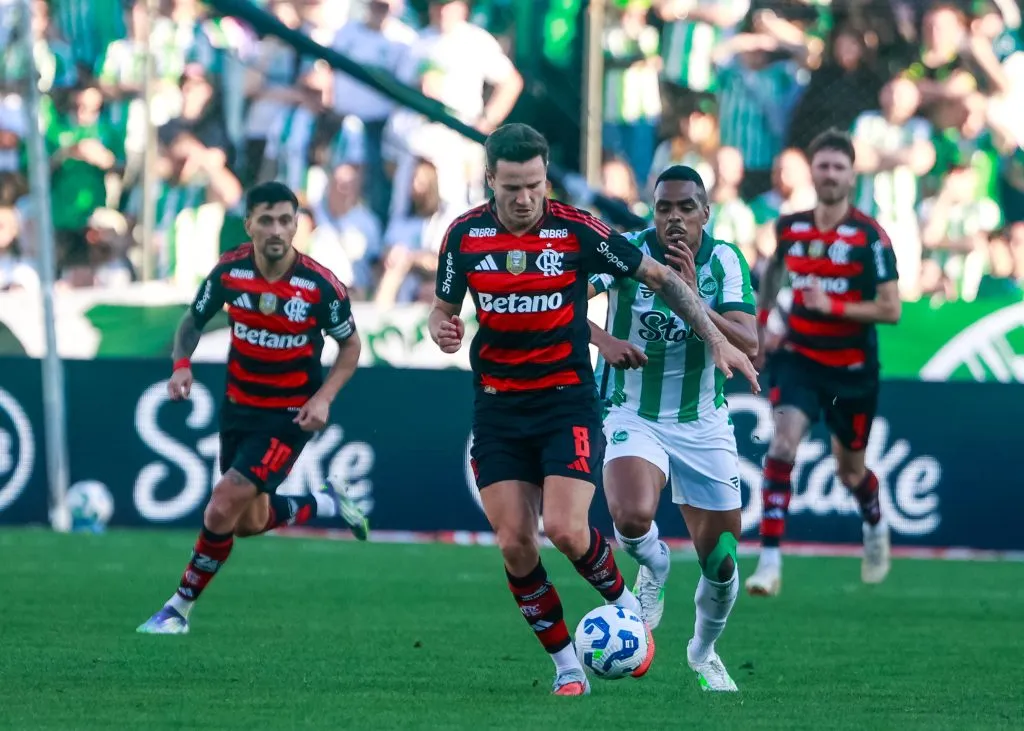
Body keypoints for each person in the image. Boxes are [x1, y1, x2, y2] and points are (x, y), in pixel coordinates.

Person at [429, 123, 759, 696]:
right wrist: (444, 327)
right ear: (490, 181)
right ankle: (570, 665)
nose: (525, 198)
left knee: (594, 534)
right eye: (512, 187)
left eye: (535, 185)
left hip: (590, 406)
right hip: (515, 408)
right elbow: (445, 307)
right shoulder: (463, 235)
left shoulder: (582, 231)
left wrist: (713, 335)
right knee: (521, 541)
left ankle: (691, 643)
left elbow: (665, 283)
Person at [137, 182, 370, 635]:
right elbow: (193, 321)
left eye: (285, 220)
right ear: (249, 225)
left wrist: (323, 398)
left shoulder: (320, 285)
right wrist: (181, 365)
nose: (276, 230)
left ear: (297, 225)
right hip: (238, 408)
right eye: (266, 220)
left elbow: (351, 346)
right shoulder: (230, 271)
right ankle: (327, 501)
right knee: (248, 522)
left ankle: (177, 609)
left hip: (288, 417)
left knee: (221, 504)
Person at [587, 165, 757, 692]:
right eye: (664, 208)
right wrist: (602, 339)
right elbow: (562, 301)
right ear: (652, 212)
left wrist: (694, 299)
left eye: (686, 207)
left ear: (706, 212)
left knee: (722, 560)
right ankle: (653, 565)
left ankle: (703, 651)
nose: (675, 218)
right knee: (631, 514)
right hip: (632, 410)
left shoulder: (725, 260)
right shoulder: (625, 251)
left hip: (703, 422)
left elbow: (749, 340)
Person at [745, 129, 901, 597]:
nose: (830, 175)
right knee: (782, 446)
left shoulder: (870, 236)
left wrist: (833, 306)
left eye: (838, 167)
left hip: (851, 369)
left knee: (850, 472)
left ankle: (873, 519)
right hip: (799, 359)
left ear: (852, 176)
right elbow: (773, 274)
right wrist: (765, 324)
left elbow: (891, 309)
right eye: (823, 166)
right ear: (811, 172)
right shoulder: (790, 228)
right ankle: (769, 562)